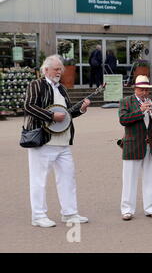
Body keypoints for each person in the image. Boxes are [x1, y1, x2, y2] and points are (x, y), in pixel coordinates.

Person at [24, 55, 91, 228]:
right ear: (45, 70)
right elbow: (28, 106)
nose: (59, 72)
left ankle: (69, 213)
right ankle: (38, 216)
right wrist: (51, 116)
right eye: (56, 69)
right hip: (42, 141)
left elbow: (66, 114)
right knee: (38, 180)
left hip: (63, 142)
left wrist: (81, 109)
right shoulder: (36, 84)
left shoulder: (61, 88)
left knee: (68, 178)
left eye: (60, 69)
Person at [118, 75, 152, 221]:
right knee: (129, 180)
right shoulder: (126, 102)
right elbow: (123, 120)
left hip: (150, 145)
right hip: (132, 145)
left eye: (147, 89)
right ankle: (127, 210)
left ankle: (151, 209)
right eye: (142, 89)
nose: (145, 92)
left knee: (150, 178)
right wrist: (140, 111)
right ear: (135, 89)